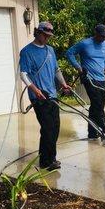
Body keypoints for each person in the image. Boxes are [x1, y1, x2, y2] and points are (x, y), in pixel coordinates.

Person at [19, 22, 70, 171]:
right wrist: (35, 90)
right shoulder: (27, 52)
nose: (47, 38)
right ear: (38, 32)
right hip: (39, 97)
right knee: (47, 128)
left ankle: (50, 158)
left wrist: (63, 84)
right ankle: (46, 161)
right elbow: (24, 74)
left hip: (52, 95)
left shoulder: (50, 51)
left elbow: (56, 70)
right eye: (45, 35)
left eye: (49, 36)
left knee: (55, 127)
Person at [66, 24, 105, 142]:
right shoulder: (85, 43)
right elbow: (69, 53)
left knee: (98, 105)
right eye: (101, 36)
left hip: (102, 79)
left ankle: (92, 133)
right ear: (95, 33)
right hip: (88, 78)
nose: (103, 38)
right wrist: (78, 67)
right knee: (97, 105)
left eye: (104, 36)